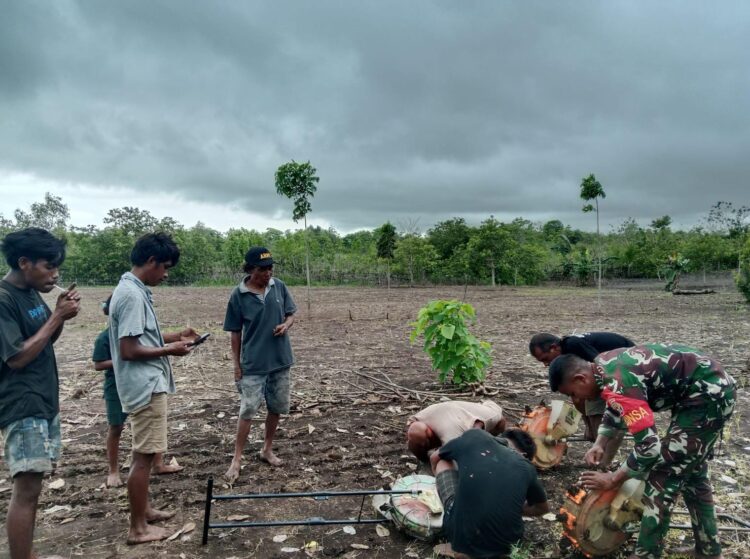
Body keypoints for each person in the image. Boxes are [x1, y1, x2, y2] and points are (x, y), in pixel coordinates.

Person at [549, 345, 736, 559]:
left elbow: (650, 447)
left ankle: (646, 554)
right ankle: (709, 550)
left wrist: (613, 479)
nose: (578, 399)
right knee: (692, 474)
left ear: (581, 379)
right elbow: (615, 404)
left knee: (663, 476)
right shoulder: (602, 366)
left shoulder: (619, 381)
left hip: (707, 395)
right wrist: (600, 442)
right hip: (702, 391)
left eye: (572, 394)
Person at [109, 232, 201, 545]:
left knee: (144, 454)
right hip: (145, 385)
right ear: (150, 261)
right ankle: (138, 529)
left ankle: (144, 510)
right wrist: (171, 350)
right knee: (144, 458)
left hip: (145, 383)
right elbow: (129, 349)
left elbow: (142, 337)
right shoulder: (132, 296)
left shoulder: (131, 289)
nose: (165, 274)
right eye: (164, 267)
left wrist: (175, 335)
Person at [0, 228, 80, 559]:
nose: (55, 273)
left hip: (43, 400)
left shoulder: (32, 293)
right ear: (24, 262)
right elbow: (17, 356)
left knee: (34, 485)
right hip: (23, 404)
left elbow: (45, 339)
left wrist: (60, 314)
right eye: (49, 266)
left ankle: (26, 553)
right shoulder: (3, 299)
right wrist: (56, 317)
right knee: (27, 488)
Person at [92, 295, 183, 488]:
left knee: (150, 423)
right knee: (116, 427)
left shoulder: (136, 334)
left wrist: (178, 336)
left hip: (140, 383)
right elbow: (99, 364)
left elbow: (154, 341)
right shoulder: (104, 338)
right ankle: (113, 470)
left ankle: (158, 464)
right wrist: (123, 359)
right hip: (116, 388)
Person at [224, 247, 296, 483]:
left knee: (276, 407)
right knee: (248, 410)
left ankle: (267, 449)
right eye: (262, 269)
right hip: (253, 363)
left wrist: (286, 325)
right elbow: (235, 333)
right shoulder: (238, 295)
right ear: (250, 270)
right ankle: (237, 458)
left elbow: (291, 314)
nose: (268, 273)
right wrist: (236, 365)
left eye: (270, 268)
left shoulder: (279, 286)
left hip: (280, 360)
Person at [433, 428, 549, 558]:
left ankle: (464, 548)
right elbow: (542, 508)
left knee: (443, 463)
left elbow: (435, 457)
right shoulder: (526, 467)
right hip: (507, 544)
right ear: (524, 455)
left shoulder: (475, 437)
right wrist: (510, 507)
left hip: (459, 536)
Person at [530, 331, 635, 443]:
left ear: (554, 347)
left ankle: (601, 441)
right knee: (577, 393)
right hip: (612, 366)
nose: (545, 364)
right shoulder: (565, 354)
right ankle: (593, 432)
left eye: (545, 359)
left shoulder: (572, 345)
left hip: (629, 362)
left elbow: (600, 366)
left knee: (592, 396)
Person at [406, 400, 506, 462]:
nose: (425, 445)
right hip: (454, 409)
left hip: (486, 412)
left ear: (430, 432)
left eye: (426, 442)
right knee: (415, 442)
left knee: (500, 423)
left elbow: (455, 456)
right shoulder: (418, 418)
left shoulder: (449, 431)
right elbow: (414, 436)